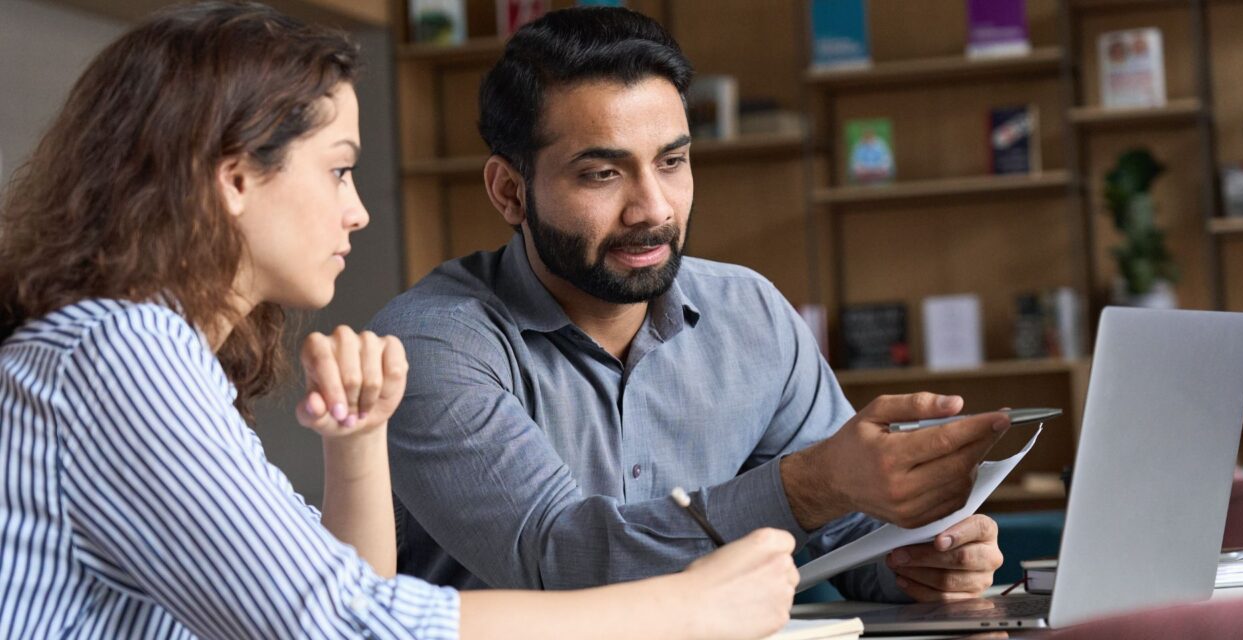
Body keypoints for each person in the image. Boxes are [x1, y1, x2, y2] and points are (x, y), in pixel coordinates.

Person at [0, 3, 802, 638]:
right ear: (237, 176)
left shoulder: (146, 356)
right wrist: (684, 611)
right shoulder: (118, 351)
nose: (357, 213)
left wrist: (354, 448)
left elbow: (349, 592)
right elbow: (342, 626)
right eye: (340, 170)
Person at [371, 6, 1010, 603]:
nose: (654, 208)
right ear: (510, 191)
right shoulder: (431, 344)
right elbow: (559, 561)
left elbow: (848, 540)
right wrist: (812, 483)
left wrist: (926, 558)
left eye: (671, 161)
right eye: (602, 174)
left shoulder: (751, 316)